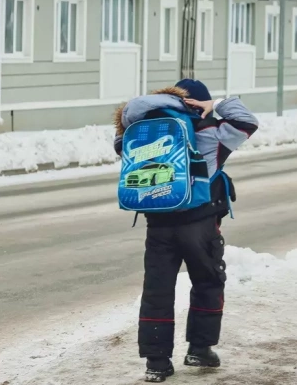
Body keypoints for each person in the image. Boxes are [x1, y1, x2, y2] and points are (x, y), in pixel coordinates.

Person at [113, 79, 258, 383]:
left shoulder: (142, 131)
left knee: (157, 291)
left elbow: (119, 147)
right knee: (208, 281)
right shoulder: (210, 133)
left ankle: (156, 362)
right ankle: (200, 349)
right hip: (200, 224)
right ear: (197, 105)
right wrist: (216, 104)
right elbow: (247, 121)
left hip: (158, 225)